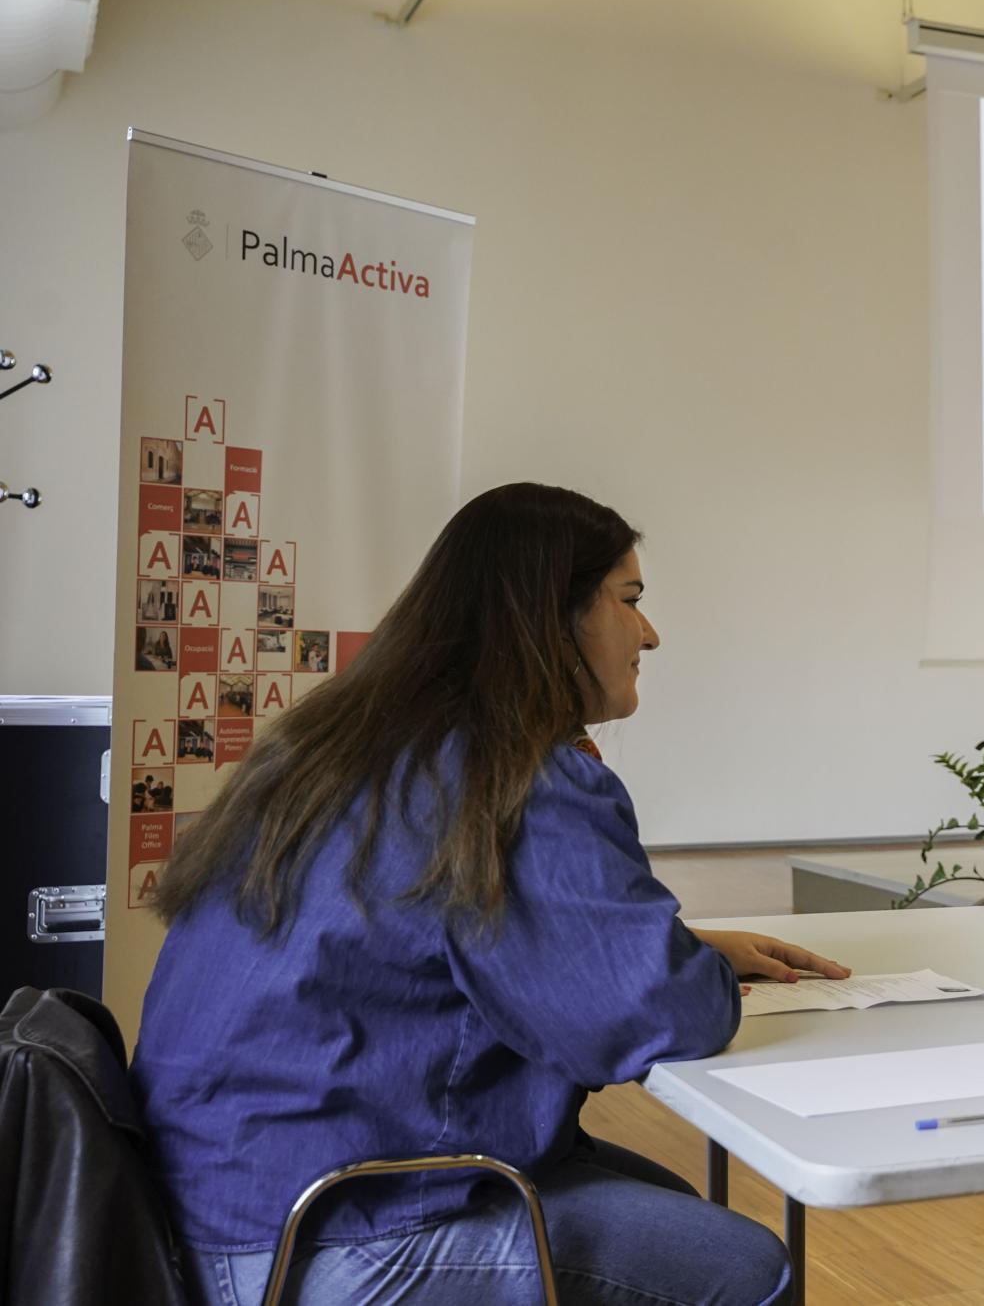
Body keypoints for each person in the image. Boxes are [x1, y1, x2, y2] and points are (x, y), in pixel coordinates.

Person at [134, 483, 845, 1306]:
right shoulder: (509, 777)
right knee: (748, 1270)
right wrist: (689, 970)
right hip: (330, 1238)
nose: (649, 633)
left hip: (210, 1213)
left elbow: (461, 942)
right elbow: (652, 1012)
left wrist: (679, 949)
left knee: (672, 1205)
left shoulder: (337, 748)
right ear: (552, 617)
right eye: (629, 599)